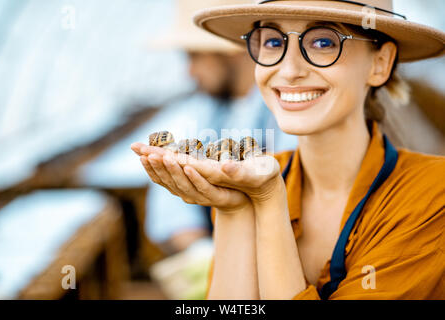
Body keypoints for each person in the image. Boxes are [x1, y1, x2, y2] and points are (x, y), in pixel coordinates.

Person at [132, 0, 445, 300]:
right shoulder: (249, 178)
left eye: (323, 42)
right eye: (272, 43)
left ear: (380, 63)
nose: (289, 69)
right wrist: (234, 210)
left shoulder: (432, 192)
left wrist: (268, 202)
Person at [144, 0, 296, 256]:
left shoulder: (286, 113)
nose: (189, 72)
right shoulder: (205, 111)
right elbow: (171, 214)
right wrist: (200, 253)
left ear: (231, 50)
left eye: (194, 56)